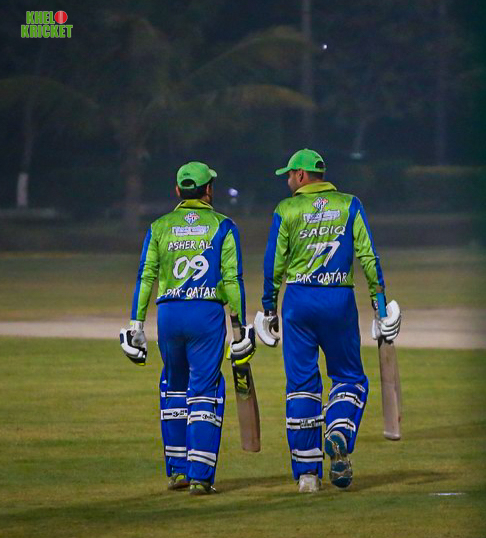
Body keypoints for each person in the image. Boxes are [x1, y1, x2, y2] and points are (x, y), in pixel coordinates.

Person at [259, 148, 401, 493]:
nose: (288, 180)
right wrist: (380, 307)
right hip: (338, 299)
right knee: (350, 377)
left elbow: (273, 263)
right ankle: (338, 430)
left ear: (301, 175)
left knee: (302, 385)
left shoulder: (286, 209)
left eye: (289, 175)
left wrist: (268, 307)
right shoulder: (350, 204)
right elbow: (368, 256)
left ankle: (307, 475)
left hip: (298, 302)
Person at [119, 161, 255, 494]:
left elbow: (145, 276)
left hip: (169, 315)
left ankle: (177, 471)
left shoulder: (159, 227)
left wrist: (136, 325)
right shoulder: (223, 226)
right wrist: (239, 326)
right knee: (205, 391)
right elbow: (233, 279)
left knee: (174, 387)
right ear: (209, 189)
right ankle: (200, 476)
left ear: (178, 190)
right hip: (205, 315)